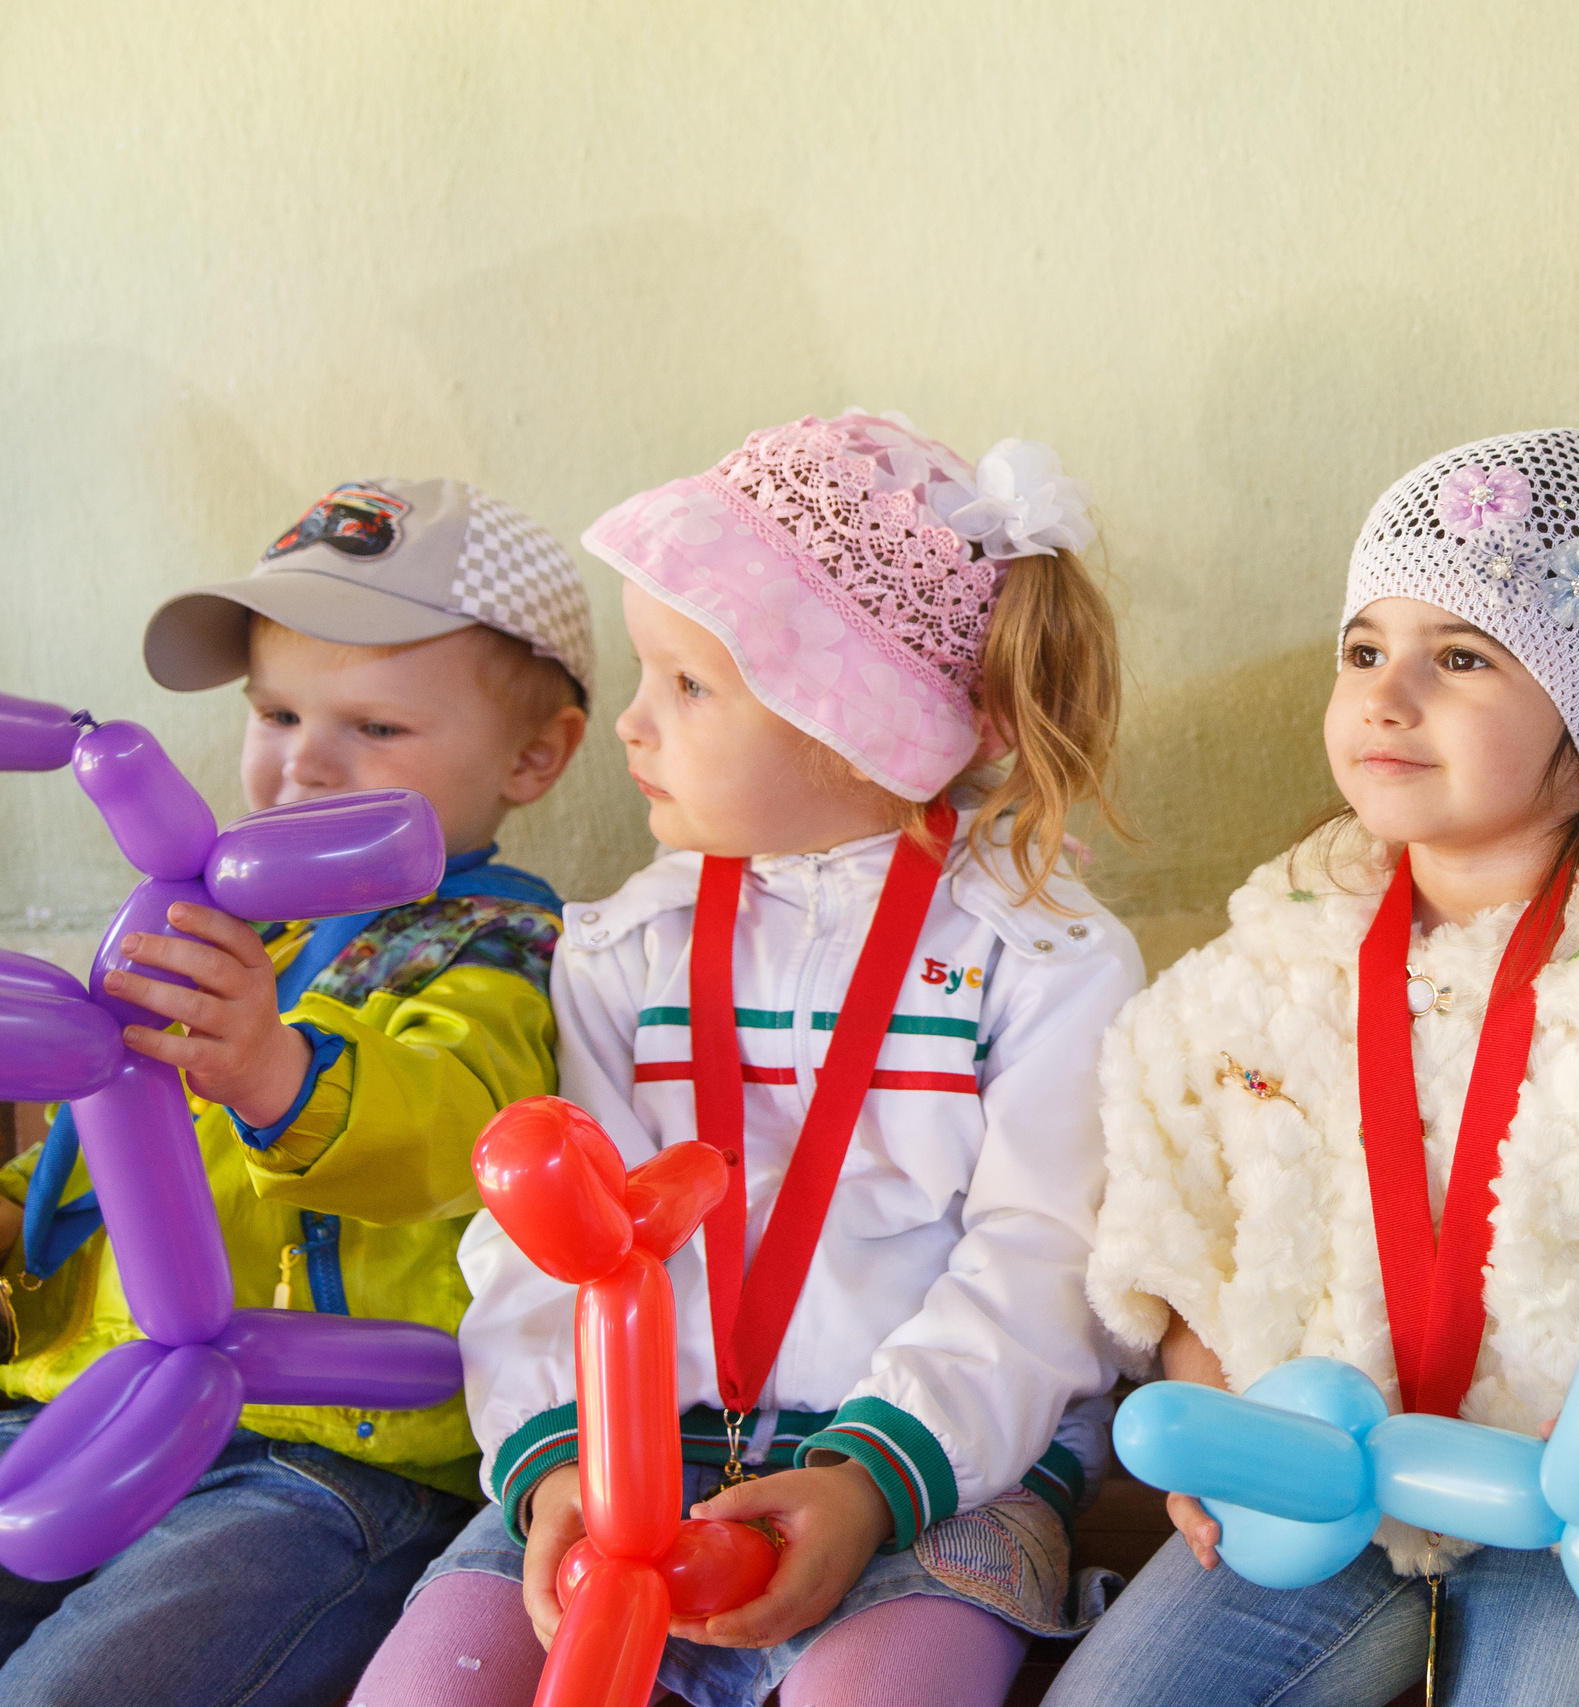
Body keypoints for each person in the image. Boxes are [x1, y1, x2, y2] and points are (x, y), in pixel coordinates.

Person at [1050, 430, 1579, 1707]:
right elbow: (1179, 1258)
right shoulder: (1246, 980)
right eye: (1364, 651)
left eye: (1459, 659)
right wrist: (1225, 1429)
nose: (1388, 696)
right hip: (1321, 1498)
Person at [354, 411, 1143, 1707]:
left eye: (687, 684)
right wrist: (557, 1463)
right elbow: (550, 1240)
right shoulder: (623, 949)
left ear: (856, 722)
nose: (630, 726)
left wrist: (870, 1477)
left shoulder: (1046, 955)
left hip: (931, 1481)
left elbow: (1047, 1260)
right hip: (614, 1458)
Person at [0, 477, 592, 1706]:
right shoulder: (206, 920)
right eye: (274, 711)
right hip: (78, 1410)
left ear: (535, 756)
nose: (305, 763)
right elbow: (92, 1147)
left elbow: (460, 1135)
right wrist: (14, 1224)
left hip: (317, 1461)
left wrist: (278, 1072)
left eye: (374, 728)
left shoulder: (500, 948)